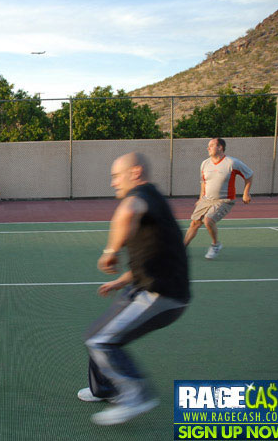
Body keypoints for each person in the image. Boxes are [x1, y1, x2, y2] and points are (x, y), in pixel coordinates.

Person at [78, 152, 190, 426]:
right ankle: (104, 389)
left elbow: (127, 211)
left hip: (161, 296)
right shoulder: (154, 201)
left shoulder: (142, 196)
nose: (113, 183)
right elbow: (152, 254)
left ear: (136, 173)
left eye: (117, 176)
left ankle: (137, 395)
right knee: (99, 332)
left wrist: (111, 251)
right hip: (146, 287)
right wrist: (121, 280)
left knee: (100, 340)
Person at [183, 138, 254, 259]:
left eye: (211, 146)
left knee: (208, 220)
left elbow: (249, 174)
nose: (208, 148)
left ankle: (215, 245)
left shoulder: (232, 163)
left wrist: (246, 193)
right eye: (208, 146)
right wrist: (201, 198)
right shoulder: (205, 163)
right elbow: (203, 183)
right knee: (194, 223)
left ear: (220, 147)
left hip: (224, 200)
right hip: (206, 199)